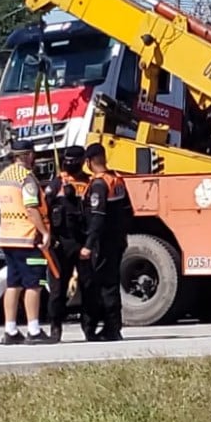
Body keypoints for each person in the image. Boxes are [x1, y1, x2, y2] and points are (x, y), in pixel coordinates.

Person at [0, 139, 54, 345]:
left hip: (8, 238)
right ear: (29, 155)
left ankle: (10, 330)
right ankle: (34, 330)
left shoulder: (4, 176)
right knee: (34, 284)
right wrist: (44, 232)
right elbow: (31, 208)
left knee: (13, 284)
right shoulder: (26, 178)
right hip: (28, 238)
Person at [81, 142, 133, 341]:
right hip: (117, 240)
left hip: (102, 242)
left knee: (103, 285)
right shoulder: (117, 180)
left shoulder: (99, 184)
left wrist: (88, 245)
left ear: (89, 161)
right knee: (111, 282)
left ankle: (110, 327)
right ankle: (113, 326)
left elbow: (98, 216)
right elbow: (129, 212)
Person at [43, 146, 91, 342]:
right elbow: (43, 211)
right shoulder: (56, 184)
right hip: (59, 244)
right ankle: (55, 327)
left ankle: (89, 328)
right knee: (57, 290)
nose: (71, 164)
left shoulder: (89, 182)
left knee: (89, 287)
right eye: (68, 160)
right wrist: (48, 236)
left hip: (83, 241)